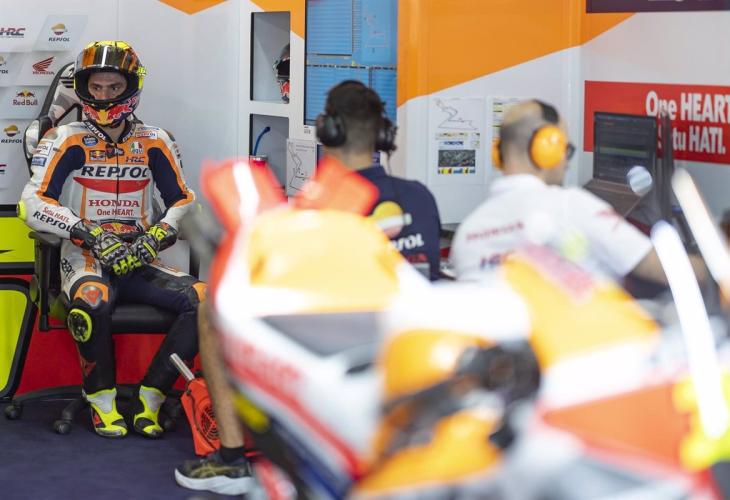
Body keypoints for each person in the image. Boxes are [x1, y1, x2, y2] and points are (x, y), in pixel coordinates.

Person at [174, 81, 442, 494]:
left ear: (326, 129)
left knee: (213, 310)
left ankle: (231, 458)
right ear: (383, 133)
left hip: (344, 350)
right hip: (417, 343)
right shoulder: (419, 196)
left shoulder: (323, 207)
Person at [18, 40, 203, 439]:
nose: (103, 96)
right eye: (96, 87)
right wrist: (90, 233)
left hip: (140, 255)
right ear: (83, 89)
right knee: (92, 301)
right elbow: (31, 203)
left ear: (131, 88)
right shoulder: (64, 138)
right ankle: (102, 401)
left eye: (113, 87)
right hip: (84, 256)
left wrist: (158, 235)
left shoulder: (156, 139)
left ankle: (152, 396)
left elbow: (184, 201)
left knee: (204, 302)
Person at [451, 99, 701, 285]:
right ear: (546, 149)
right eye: (566, 150)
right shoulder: (570, 206)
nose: (567, 163)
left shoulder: (467, 233)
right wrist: (714, 270)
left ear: (499, 153)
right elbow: (661, 267)